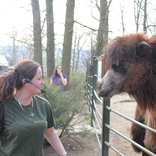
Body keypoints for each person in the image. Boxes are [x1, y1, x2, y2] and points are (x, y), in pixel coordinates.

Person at [0, 59, 68, 156]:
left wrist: (64, 154)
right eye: (39, 79)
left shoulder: (44, 105)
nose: (42, 82)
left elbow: (50, 133)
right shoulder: (4, 105)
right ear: (25, 82)